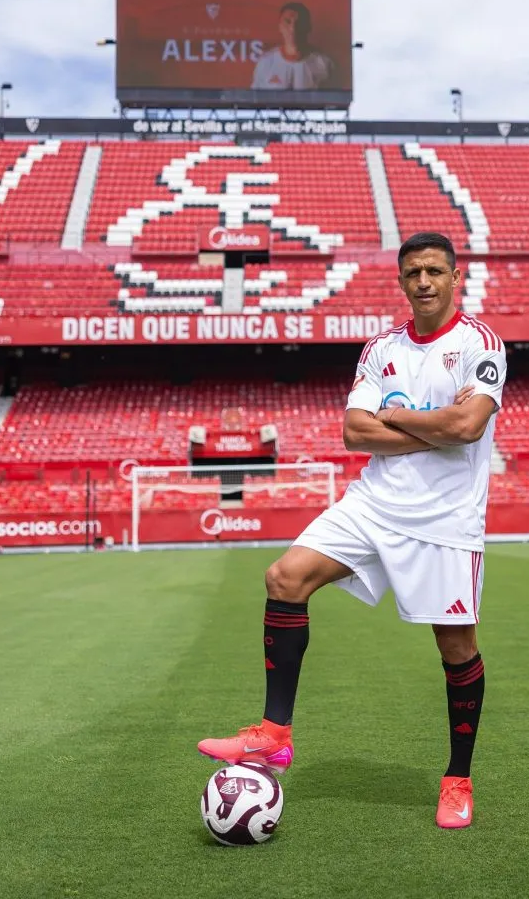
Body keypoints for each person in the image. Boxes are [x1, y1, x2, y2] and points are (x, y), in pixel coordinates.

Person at [198, 231, 507, 829]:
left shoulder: (480, 344)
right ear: (400, 280)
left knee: (456, 647)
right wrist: (430, 427)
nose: (424, 282)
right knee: (284, 578)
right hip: (374, 502)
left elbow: (469, 426)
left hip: (446, 519)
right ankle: (273, 735)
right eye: (413, 272)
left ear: (454, 277)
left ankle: (457, 778)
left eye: (435, 272)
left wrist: (394, 415)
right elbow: (354, 433)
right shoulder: (379, 348)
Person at [251, 1, 335, 91]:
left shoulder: (324, 64)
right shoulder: (265, 63)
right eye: (287, 22)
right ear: (280, 26)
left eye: (299, 23)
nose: (293, 29)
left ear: (308, 27)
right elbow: (255, 102)